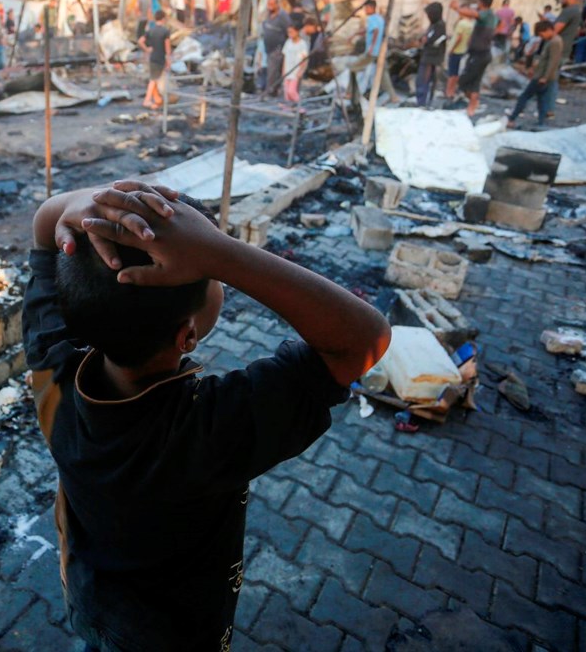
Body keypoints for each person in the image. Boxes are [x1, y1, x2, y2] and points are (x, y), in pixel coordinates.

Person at [24, 181, 389, 651]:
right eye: (212, 277)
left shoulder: (52, 362)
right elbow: (365, 340)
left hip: (90, 597)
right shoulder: (204, 432)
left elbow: (42, 231)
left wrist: (75, 204)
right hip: (170, 637)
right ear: (187, 335)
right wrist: (221, 252)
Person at [507, 21, 562, 128]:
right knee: (541, 99)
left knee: (525, 97)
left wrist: (545, 77)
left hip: (542, 76)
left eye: (542, 34)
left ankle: (512, 118)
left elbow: (553, 62)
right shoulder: (552, 41)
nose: (542, 37)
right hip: (543, 75)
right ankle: (541, 122)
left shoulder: (555, 42)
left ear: (548, 30)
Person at [452, 0, 498, 117]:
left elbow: (473, 14)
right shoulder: (491, 16)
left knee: (464, 81)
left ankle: (473, 103)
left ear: (482, 2)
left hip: (480, 54)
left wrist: (457, 8)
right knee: (475, 83)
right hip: (481, 53)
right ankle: (472, 106)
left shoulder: (486, 14)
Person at [350, 0, 398, 104]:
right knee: (383, 74)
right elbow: (370, 30)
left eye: (366, 8)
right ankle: (393, 96)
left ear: (371, 8)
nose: (365, 10)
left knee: (353, 68)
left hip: (372, 52)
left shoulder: (371, 18)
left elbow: (375, 30)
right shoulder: (379, 18)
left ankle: (350, 93)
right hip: (380, 51)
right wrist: (356, 34)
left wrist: (372, 46)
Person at [415, 2, 446, 108]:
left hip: (431, 58)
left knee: (424, 80)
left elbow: (434, 40)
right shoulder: (433, 25)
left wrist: (426, 40)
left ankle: (423, 102)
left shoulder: (440, 26)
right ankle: (421, 101)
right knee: (423, 80)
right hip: (428, 56)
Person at [138, 10, 171, 110]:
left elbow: (140, 41)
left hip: (152, 57)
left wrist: (147, 49)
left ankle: (156, 98)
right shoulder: (165, 31)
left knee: (155, 77)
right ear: (163, 19)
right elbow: (167, 48)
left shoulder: (151, 30)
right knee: (153, 79)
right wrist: (168, 60)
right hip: (160, 57)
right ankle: (147, 100)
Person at [261, 0, 292, 98]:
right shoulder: (268, 15)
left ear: (277, 4)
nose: (269, 6)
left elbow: (289, 30)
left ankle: (270, 92)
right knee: (270, 70)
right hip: (268, 48)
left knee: (273, 71)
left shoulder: (282, 16)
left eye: (272, 4)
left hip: (277, 48)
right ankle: (273, 90)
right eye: (268, 4)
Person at [445, 8, 475, 100]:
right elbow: (469, 39)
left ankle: (448, 92)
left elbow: (459, 38)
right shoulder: (471, 24)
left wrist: (452, 49)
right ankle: (453, 91)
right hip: (463, 51)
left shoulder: (461, 23)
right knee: (457, 73)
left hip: (456, 51)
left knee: (451, 73)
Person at [281, 24, 308, 107]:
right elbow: (285, 57)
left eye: (291, 32)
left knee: (291, 91)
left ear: (297, 32)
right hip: (287, 69)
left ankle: (300, 106)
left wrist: (301, 71)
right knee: (286, 91)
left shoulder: (302, 44)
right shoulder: (288, 42)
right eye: (288, 32)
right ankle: (289, 108)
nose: (290, 34)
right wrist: (283, 70)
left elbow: (305, 59)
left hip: (295, 71)